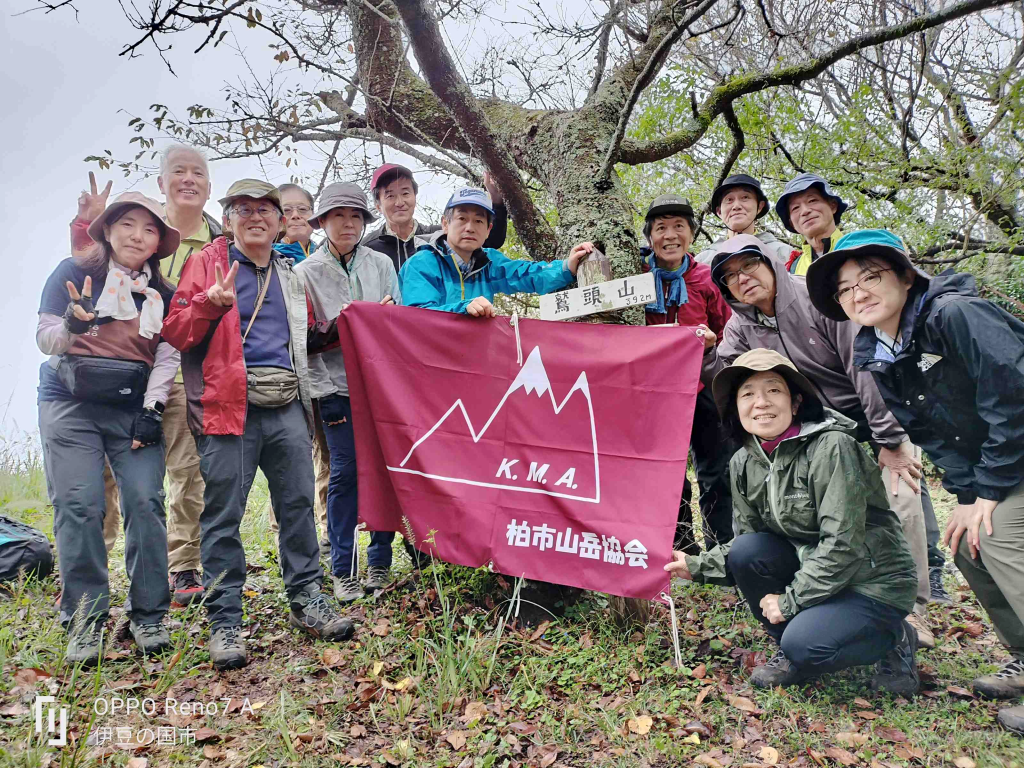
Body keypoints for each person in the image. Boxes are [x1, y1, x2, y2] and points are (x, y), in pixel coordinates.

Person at [805, 229, 1024, 732]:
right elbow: (927, 428)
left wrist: (988, 491)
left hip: (1015, 453)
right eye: (844, 288)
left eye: (870, 277)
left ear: (905, 277)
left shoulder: (954, 314)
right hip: (996, 464)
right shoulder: (875, 349)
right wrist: (967, 495)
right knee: (967, 542)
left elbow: (1011, 395)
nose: (857, 293)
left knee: (1001, 534)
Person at [704, 234, 945, 645]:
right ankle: (824, 601)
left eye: (749, 266)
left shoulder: (815, 299)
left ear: (770, 262)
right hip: (810, 429)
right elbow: (729, 374)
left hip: (866, 415)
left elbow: (863, 366)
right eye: (730, 277)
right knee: (828, 517)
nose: (742, 279)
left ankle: (911, 610)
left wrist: (889, 439)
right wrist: (709, 352)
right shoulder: (740, 325)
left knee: (900, 503)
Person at [162, 179, 354, 670]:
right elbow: (178, 330)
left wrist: (351, 324)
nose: (255, 217)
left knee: (295, 504)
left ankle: (308, 597)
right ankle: (225, 618)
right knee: (223, 513)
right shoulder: (207, 263)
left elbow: (308, 336)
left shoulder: (290, 273)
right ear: (228, 219)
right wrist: (211, 304)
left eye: (264, 210)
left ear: (280, 220)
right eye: (243, 209)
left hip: (288, 402)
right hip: (228, 406)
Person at [666, 349, 920, 694]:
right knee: (747, 551)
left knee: (808, 646)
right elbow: (749, 539)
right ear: (735, 408)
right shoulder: (744, 461)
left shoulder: (833, 448)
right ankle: (792, 652)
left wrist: (790, 602)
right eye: (748, 394)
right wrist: (696, 565)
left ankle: (895, 638)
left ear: (796, 402)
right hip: (815, 570)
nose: (761, 403)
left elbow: (842, 543)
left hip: (869, 581)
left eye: (773, 390)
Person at [71, 144, 222, 608]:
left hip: (181, 373)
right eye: (178, 171)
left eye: (198, 172)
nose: (188, 180)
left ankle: (183, 566)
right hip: (112, 372)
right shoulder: (135, 230)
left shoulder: (220, 240)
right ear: (162, 182)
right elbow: (84, 277)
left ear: (209, 186)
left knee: (186, 472)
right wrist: (84, 225)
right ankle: (91, 565)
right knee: (101, 478)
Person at [39, 192, 181, 664]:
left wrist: (153, 409)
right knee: (79, 504)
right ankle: (85, 619)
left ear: (160, 241)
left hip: (131, 405)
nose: (137, 236)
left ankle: (148, 615)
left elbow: (168, 353)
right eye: (127, 224)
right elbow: (45, 339)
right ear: (107, 229)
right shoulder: (73, 273)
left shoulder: (162, 294)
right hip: (70, 401)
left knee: (146, 501)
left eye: (149, 229)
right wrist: (73, 327)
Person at [576, 194, 733, 554]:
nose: (670, 235)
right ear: (649, 237)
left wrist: (711, 346)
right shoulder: (635, 277)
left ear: (692, 234)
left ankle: (721, 547)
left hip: (702, 388)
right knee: (668, 474)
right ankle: (681, 549)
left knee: (716, 470)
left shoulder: (707, 278)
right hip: (653, 394)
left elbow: (727, 331)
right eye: (661, 228)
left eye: (679, 226)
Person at [297, 183, 400, 602]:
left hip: (381, 386)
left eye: (355, 216)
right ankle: (344, 568)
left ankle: (380, 560)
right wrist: (345, 324)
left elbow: (401, 321)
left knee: (385, 468)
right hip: (333, 385)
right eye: (338, 215)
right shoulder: (305, 273)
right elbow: (301, 337)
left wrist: (386, 319)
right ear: (322, 222)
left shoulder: (380, 264)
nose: (348, 223)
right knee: (344, 471)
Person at [399, 187, 587, 316]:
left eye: (479, 221)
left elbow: (526, 274)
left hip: (474, 359)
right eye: (462, 218)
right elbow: (418, 316)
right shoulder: (421, 264)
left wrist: (566, 268)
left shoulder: (489, 263)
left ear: (488, 230)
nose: (470, 228)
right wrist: (464, 309)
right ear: (445, 224)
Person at [271, 182, 329, 555]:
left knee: (325, 453)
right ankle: (286, 535)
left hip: (322, 366)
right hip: (285, 369)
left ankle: (326, 531)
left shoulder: (326, 256)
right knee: (289, 458)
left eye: (302, 210)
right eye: (287, 210)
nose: (295, 217)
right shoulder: (271, 257)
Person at [363, 164, 509, 273]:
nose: (400, 202)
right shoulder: (369, 248)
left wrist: (497, 201)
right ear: (378, 206)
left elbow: (491, 241)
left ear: (415, 196)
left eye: (405, 193)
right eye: (390, 196)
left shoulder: (439, 236)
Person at [695, 174, 791, 265]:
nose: (736, 206)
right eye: (729, 200)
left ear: (760, 207)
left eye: (745, 197)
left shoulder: (784, 254)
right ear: (719, 212)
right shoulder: (702, 261)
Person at [774, 172, 848, 276]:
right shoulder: (792, 270)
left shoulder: (858, 248)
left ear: (833, 206)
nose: (805, 211)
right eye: (795, 208)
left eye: (812, 200)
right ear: (791, 223)